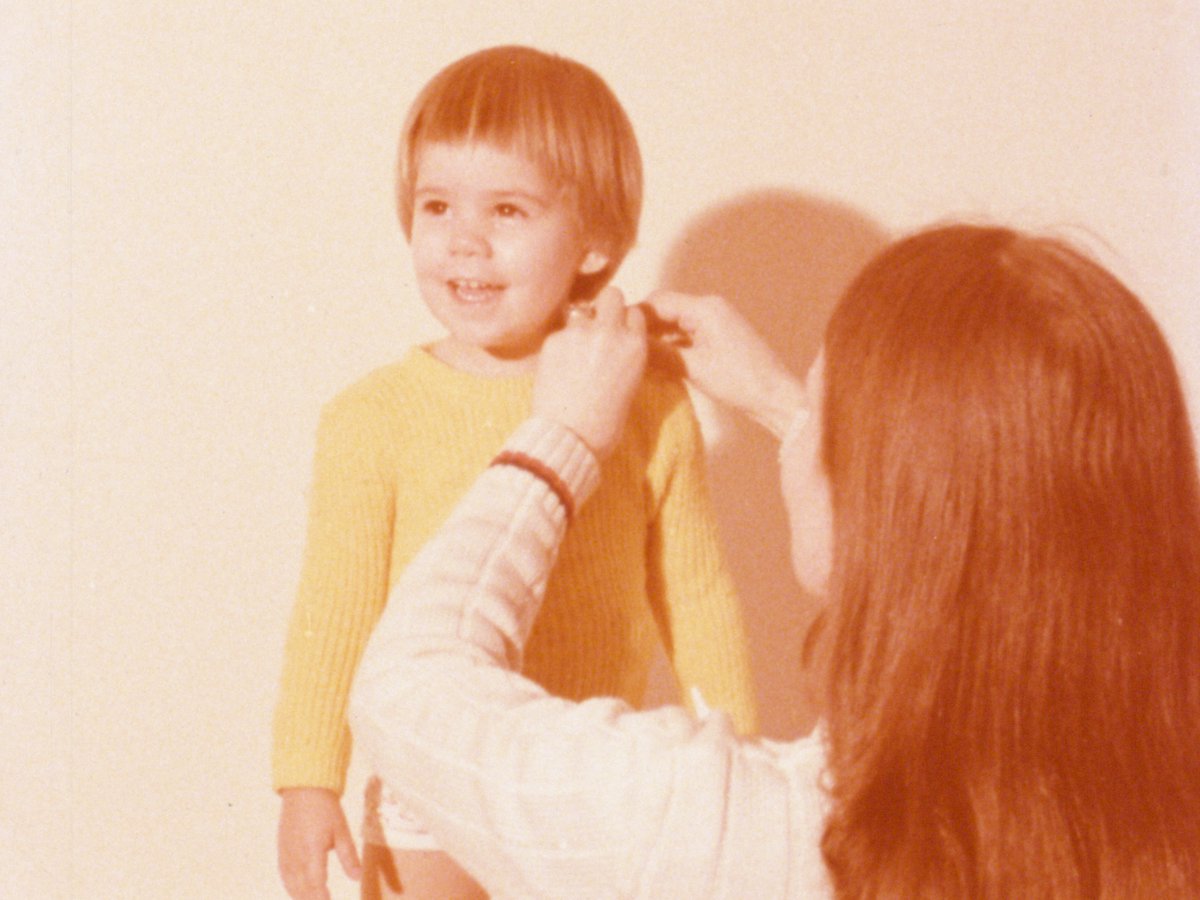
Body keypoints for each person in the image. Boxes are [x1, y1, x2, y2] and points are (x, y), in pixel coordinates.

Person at [349, 224, 1200, 897]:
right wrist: (789, 408)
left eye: (820, 420)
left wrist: (560, 438)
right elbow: (978, 530)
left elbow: (409, 683)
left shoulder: (738, 833)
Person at [272, 46, 758, 900]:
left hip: (583, 782)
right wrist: (308, 781)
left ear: (594, 240)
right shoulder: (372, 416)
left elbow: (698, 599)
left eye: (507, 209)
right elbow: (334, 612)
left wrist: (739, 764)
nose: (464, 240)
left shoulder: (649, 408)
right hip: (428, 787)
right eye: (437, 206)